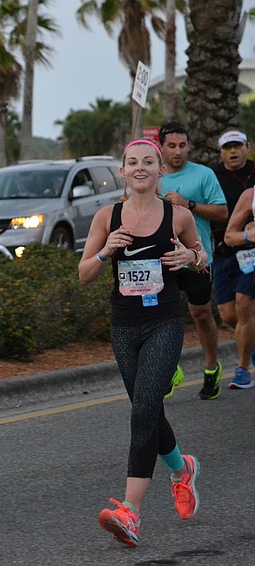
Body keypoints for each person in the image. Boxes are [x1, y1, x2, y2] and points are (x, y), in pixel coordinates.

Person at [79, 139, 203, 547]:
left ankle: (130, 512)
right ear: (123, 171)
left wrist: (190, 257)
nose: (141, 169)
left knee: (144, 410)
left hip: (165, 320)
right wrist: (104, 253)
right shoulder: (107, 216)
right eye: (133, 163)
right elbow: (83, 274)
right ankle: (182, 468)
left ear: (159, 170)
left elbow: (201, 255)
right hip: (125, 325)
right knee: (147, 410)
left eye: (148, 162)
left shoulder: (178, 215)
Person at [157, 122, 228, 397]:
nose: (178, 151)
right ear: (161, 147)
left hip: (196, 257)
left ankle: (211, 367)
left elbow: (222, 213)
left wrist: (189, 204)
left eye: (182, 145)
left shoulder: (204, 175)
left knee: (200, 313)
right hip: (162, 257)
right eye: (172, 146)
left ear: (189, 146)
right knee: (164, 316)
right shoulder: (153, 176)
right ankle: (170, 369)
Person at [211, 129, 255, 391]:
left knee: (244, 304)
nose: (233, 151)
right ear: (221, 153)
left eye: (237, 146)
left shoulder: (254, 176)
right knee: (228, 314)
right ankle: (250, 343)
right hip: (225, 249)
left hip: (251, 254)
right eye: (228, 148)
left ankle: (242, 369)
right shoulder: (213, 177)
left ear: (247, 147)